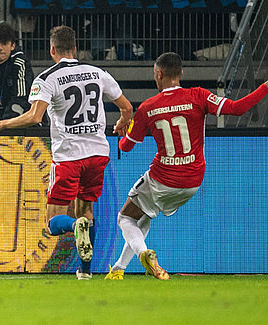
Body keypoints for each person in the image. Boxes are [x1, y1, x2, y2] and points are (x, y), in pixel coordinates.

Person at [105, 52, 268, 280]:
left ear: (158, 74)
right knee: (144, 217)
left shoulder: (148, 107)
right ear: (181, 73)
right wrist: (265, 87)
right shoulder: (199, 96)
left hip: (162, 178)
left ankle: (144, 256)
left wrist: (124, 130)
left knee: (125, 218)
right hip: (193, 181)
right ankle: (118, 270)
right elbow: (238, 108)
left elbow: (126, 146)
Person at [0, 26, 133, 279]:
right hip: (98, 154)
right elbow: (126, 107)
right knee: (86, 212)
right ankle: (86, 272)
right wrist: (122, 122)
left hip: (69, 157)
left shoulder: (48, 78)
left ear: (52, 49)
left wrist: (2, 123)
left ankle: (74, 227)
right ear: (75, 49)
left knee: (53, 223)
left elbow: (35, 117)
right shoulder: (97, 72)